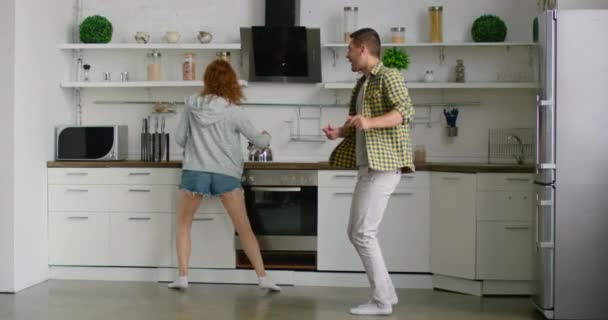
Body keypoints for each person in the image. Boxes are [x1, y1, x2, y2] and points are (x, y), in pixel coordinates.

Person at [322, 28, 414, 316]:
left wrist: (370, 122)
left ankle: (382, 301)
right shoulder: (362, 83)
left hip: (384, 165)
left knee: (362, 233)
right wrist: (340, 132)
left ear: (363, 48)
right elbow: (358, 123)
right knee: (357, 231)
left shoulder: (389, 76)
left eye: (349, 49)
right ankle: (386, 294)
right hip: (368, 165)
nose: (346, 54)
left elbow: (405, 112)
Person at [168, 59, 280, 292]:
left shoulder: (191, 105)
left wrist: (197, 141)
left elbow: (179, 139)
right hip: (225, 174)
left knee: (183, 224)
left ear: (207, 80)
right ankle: (263, 278)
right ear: (231, 82)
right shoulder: (234, 111)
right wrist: (267, 136)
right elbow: (259, 141)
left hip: (195, 171)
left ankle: (183, 278)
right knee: (243, 227)